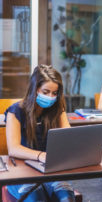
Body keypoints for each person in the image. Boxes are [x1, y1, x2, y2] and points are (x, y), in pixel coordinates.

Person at [5, 65, 75, 201]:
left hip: (50, 169)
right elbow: (13, 149)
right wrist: (41, 155)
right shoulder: (16, 111)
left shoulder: (57, 109)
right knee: (37, 199)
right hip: (21, 170)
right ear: (35, 89)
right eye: (46, 91)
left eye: (55, 93)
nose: (51, 97)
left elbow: (68, 137)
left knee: (66, 199)